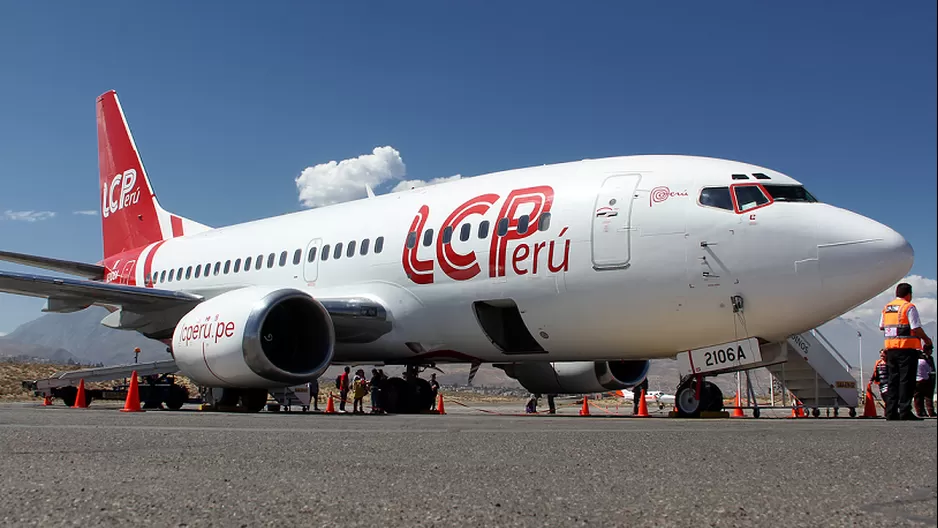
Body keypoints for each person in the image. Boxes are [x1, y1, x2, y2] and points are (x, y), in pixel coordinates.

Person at [880, 282, 933, 421]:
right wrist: (927, 340)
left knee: (893, 380)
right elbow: (915, 327)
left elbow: (882, 326)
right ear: (909, 294)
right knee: (906, 381)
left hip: (891, 349)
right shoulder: (909, 307)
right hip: (906, 349)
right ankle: (904, 411)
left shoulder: (887, 308)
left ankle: (890, 412)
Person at [914, 347, 936, 417]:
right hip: (926, 379)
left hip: (916, 380)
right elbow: (929, 369)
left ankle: (920, 411)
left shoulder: (913, 361)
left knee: (918, 397)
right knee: (928, 396)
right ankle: (930, 411)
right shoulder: (924, 360)